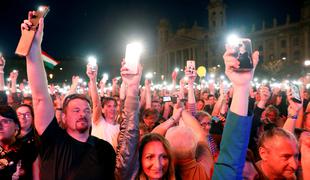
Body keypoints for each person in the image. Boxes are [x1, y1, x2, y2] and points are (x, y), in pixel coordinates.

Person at [23, 11, 115, 179]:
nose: (83, 114)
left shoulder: (105, 149)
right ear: (63, 117)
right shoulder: (53, 141)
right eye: (76, 110)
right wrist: (34, 47)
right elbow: (40, 97)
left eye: (87, 110)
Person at [212, 44, 259, 179]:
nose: (206, 125)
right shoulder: (216, 120)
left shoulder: (228, 116)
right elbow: (213, 119)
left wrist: (241, 86)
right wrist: (222, 99)